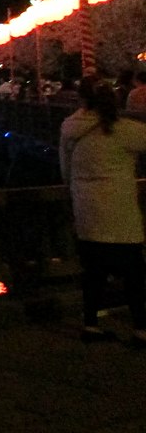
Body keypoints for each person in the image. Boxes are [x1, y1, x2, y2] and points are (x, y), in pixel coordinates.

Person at [60, 76, 146, 344]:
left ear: (81, 99)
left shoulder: (70, 127)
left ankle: (91, 324)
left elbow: (65, 170)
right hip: (120, 208)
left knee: (93, 271)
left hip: (86, 207)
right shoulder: (125, 129)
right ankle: (140, 328)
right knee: (133, 273)